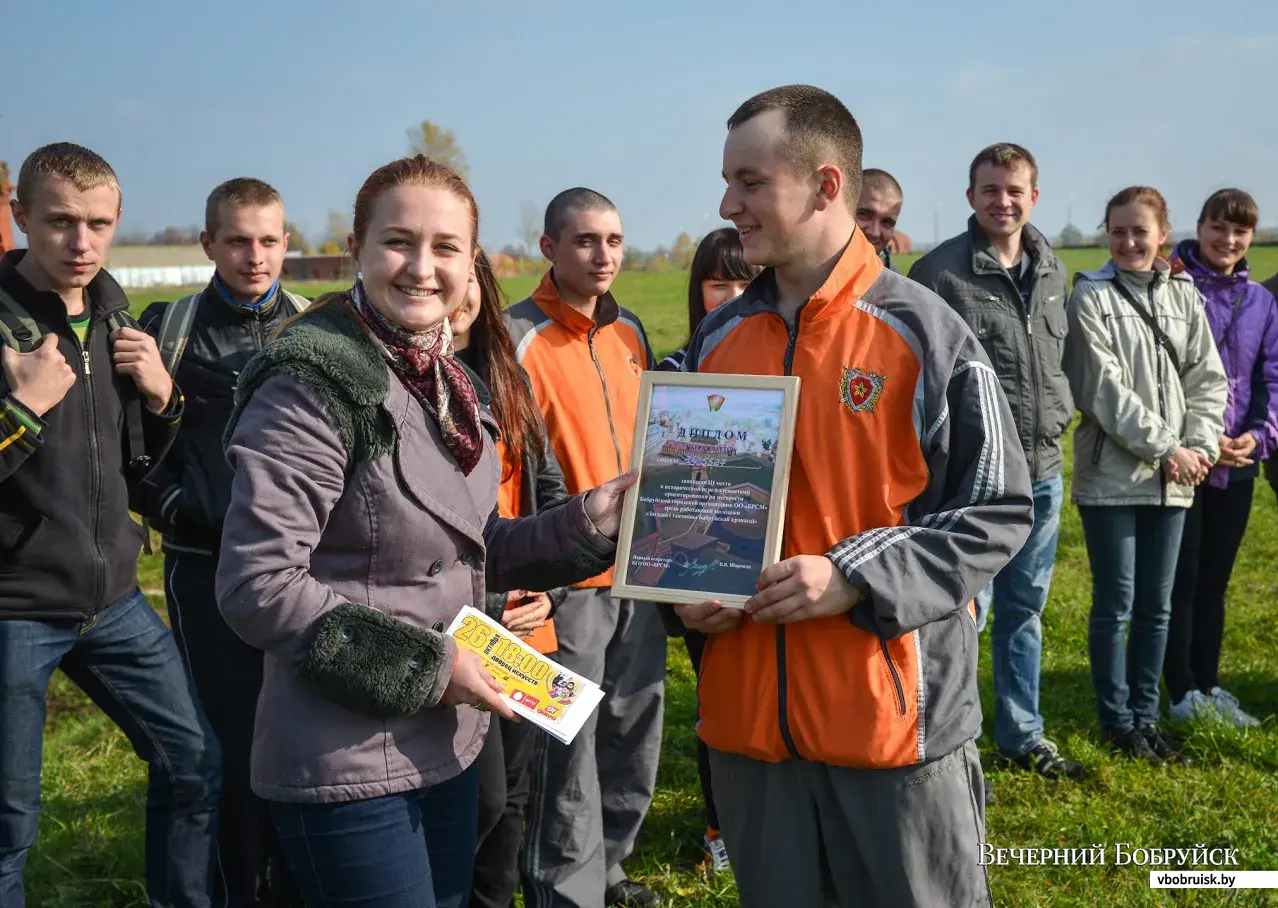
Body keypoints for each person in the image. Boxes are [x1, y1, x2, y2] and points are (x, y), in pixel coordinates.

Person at [215, 155, 637, 908]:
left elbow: (473, 546)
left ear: (470, 262)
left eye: (446, 248)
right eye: (398, 242)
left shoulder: (446, 382)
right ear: (358, 251)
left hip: (446, 747)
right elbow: (258, 587)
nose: (421, 267)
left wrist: (587, 520)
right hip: (344, 763)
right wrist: (434, 668)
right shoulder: (311, 387)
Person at [675, 85, 1033, 908]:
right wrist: (689, 590)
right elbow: (686, 510)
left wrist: (852, 576)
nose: (728, 204)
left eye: (750, 182)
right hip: (747, 738)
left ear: (827, 185)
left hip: (892, 734)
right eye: (729, 182)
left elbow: (995, 511)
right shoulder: (715, 342)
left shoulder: (925, 332)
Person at [0, 142, 220, 907]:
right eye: (59, 221)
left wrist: (164, 398)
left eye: (97, 223)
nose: (80, 242)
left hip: (115, 602)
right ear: (21, 216)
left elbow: (141, 463)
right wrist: (19, 410)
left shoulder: (115, 319)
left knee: (195, 763)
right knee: (8, 825)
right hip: (14, 608)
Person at [134, 177, 310, 907]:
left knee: (298, 741)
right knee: (227, 749)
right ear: (208, 243)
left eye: (268, 240)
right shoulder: (166, 328)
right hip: (203, 570)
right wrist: (183, 509)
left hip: (298, 575)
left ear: (287, 244)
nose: (254, 256)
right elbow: (133, 454)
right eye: (238, 240)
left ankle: (294, 886)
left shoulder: (317, 326)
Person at [506, 190, 666, 908]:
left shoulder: (631, 331)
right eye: (585, 241)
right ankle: (563, 893)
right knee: (562, 753)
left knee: (633, 734)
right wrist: (521, 575)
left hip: (643, 573)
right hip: (563, 581)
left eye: (614, 241)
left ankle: (610, 871)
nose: (603, 255)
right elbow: (501, 467)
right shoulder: (515, 339)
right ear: (548, 248)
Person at [909, 144, 1083, 781]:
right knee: (961, 614)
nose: (1002, 201)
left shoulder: (1054, 268)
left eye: (1014, 190)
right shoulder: (938, 275)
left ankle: (1023, 732)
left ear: (1033, 196)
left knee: (1025, 611)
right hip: (973, 480)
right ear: (970, 196)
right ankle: (955, 735)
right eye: (989, 190)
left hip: (1043, 470)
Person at [1064, 186, 1227, 765]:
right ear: (1106, 234)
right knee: (1117, 604)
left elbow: (1208, 378)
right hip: (1114, 475)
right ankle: (1116, 721)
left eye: (1140, 231)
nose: (1129, 242)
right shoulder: (1090, 296)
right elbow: (1103, 391)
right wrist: (1169, 449)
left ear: (1162, 233)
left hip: (1178, 473)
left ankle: (1146, 717)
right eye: (1118, 231)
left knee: (1158, 607)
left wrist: (1201, 444)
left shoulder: (1186, 296)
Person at [451, 247, 570, 908]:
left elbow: (551, 498)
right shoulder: (398, 385)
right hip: (452, 634)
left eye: (469, 278)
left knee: (513, 798)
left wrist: (547, 590)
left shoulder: (509, 381)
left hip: (523, 632)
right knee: (481, 799)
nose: (455, 292)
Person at [656, 226, 756, 875]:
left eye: (745, 280)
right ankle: (721, 827)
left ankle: (776, 820)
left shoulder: (785, 366)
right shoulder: (672, 372)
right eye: (719, 280)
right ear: (698, 288)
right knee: (716, 699)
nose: (733, 293)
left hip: (768, 556)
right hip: (697, 562)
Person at [1163, 189, 1278, 728]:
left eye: (1240, 232)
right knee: (1180, 582)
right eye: (1218, 227)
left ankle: (1209, 685)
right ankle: (1179, 690)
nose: (1227, 240)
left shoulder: (1261, 302)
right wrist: (1196, 441)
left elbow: (1270, 380)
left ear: (1251, 238)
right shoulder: (1173, 286)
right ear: (1201, 226)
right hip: (1186, 458)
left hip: (1239, 463)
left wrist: (1260, 436)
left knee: (1214, 584)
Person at [854, 169, 903, 271]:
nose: (874, 233)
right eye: (864, 215)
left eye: (887, 222)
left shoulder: (895, 284)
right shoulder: (813, 278)